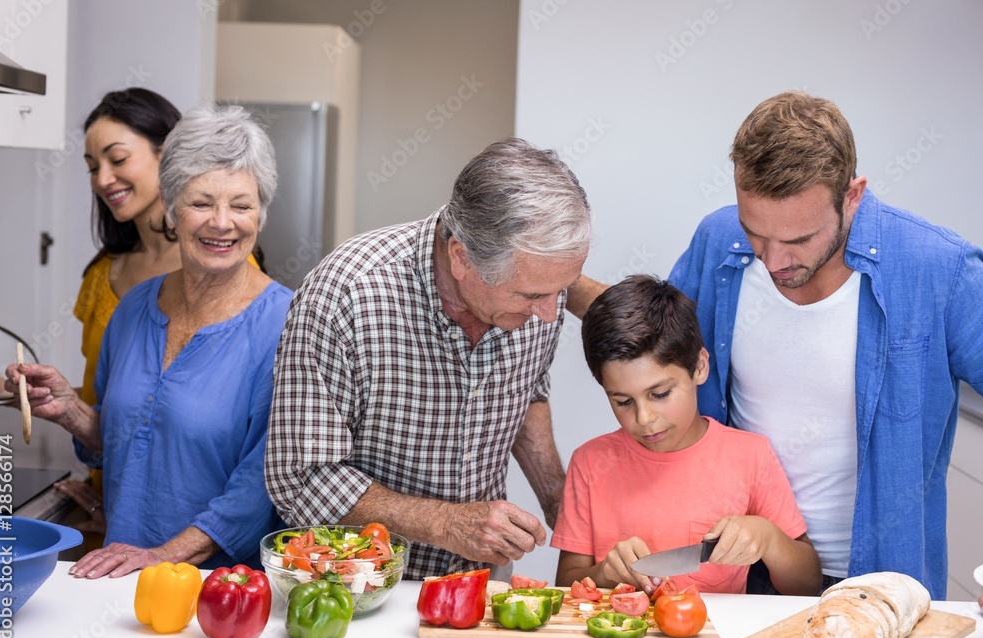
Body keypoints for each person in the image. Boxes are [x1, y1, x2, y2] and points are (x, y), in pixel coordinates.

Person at [664, 91, 983, 599]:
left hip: (882, 586)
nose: (772, 262)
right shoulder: (718, 239)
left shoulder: (936, 268)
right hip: (740, 577)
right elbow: (650, 344)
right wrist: (555, 283)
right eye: (757, 235)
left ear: (852, 195)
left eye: (799, 239)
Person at [265, 138, 591, 581]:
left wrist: (557, 495)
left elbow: (528, 389)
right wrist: (445, 523)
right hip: (359, 583)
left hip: (478, 580)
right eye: (532, 296)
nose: (550, 314)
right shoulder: (347, 295)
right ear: (461, 258)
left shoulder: (539, 284)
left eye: (561, 291)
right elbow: (300, 480)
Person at [6, 105, 292, 579]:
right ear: (171, 206)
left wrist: (163, 556)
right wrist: (71, 412)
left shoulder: (286, 324)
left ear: (260, 215)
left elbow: (261, 486)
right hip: (120, 579)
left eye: (241, 205)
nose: (222, 223)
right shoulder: (134, 308)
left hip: (221, 592)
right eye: (202, 203)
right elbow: (129, 439)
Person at [64, 88, 262, 535]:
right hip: (117, 517)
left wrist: (171, 548)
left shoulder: (229, 267)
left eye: (118, 159)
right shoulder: (113, 283)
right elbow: (120, 400)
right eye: (93, 167)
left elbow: (248, 454)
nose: (102, 179)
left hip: (205, 550)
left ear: (167, 158)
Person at [553, 275, 821, 595]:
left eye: (661, 393)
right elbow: (565, 585)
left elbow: (806, 586)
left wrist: (769, 539)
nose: (644, 419)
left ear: (699, 367)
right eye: (623, 401)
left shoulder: (750, 456)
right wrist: (606, 573)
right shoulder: (590, 462)